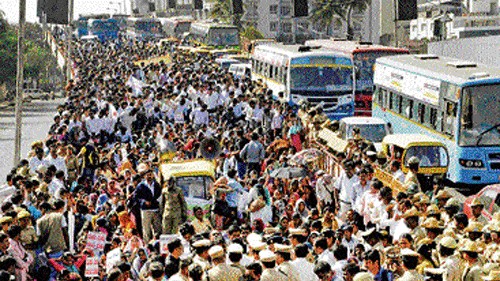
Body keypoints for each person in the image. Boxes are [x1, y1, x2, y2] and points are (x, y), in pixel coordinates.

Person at [134, 164, 162, 243]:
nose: (149, 176)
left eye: (150, 175)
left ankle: (157, 244)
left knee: (157, 229)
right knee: (146, 230)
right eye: (147, 175)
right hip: (146, 210)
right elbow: (136, 197)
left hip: (155, 209)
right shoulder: (141, 186)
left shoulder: (156, 185)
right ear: (144, 176)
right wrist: (143, 202)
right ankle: (147, 246)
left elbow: (159, 195)